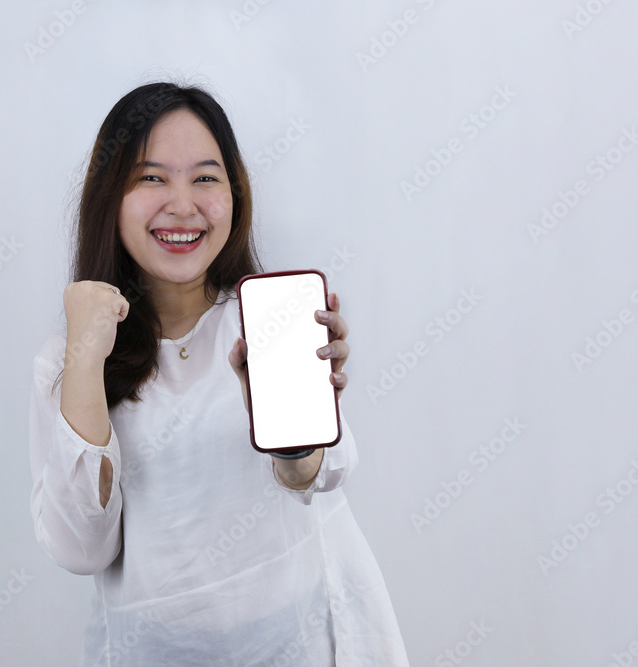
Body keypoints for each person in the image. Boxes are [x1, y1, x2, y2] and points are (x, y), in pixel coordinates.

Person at [29, 81, 410, 666]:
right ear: (110, 196)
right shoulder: (72, 358)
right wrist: (83, 359)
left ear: (235, 193)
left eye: (205, 178)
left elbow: (321, 477)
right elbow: (81, 547)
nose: (182, 205)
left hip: (303, 642)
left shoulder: (268, 320)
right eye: (151, 177)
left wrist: (293, 430)